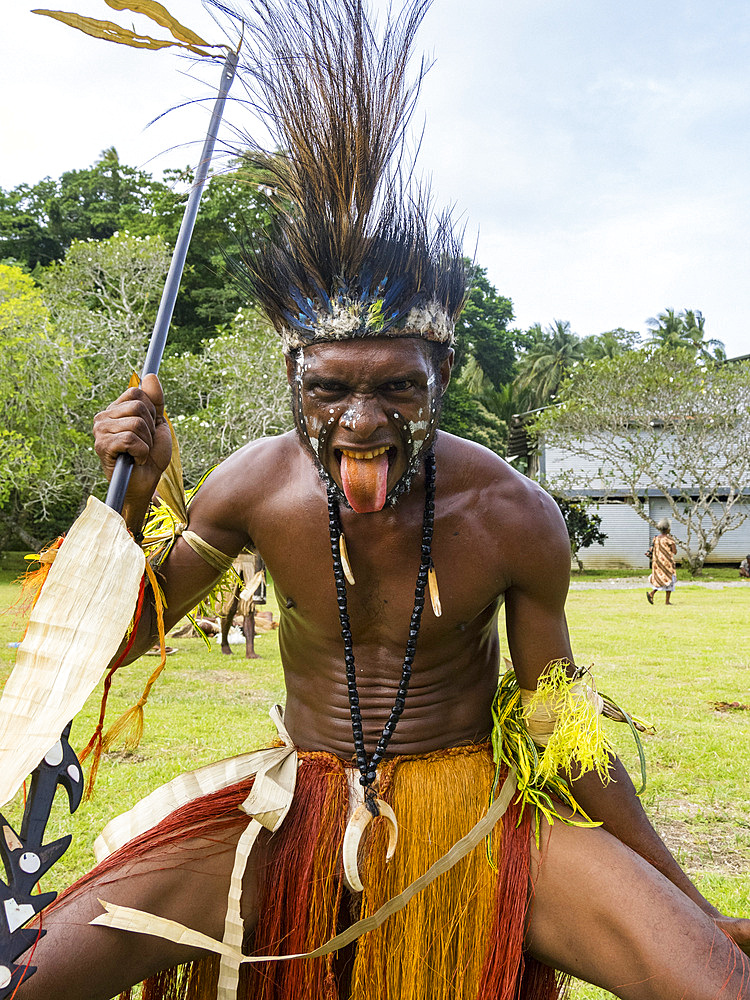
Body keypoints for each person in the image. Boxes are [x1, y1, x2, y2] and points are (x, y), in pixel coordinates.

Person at [15, 1, 750, 998]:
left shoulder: (510, 513)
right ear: (294, 384)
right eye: (331, 390)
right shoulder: (253, 484)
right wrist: (126, 508)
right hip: (295, 807)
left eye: (396, 387)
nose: (362, 421)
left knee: (711, 978)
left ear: (440, 375)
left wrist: (687, 901)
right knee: (31, 970)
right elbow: (117, 641)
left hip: (476, 809)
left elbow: (557, 729)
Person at [647, 519, 678, 605]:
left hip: (657, 563)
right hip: (667, 563)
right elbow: (674, 551)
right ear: (668, 529)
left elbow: (652, 549)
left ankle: (652, 593)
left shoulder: (656, 538)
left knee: (659, 579)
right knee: (669, 580)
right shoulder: (669, 539)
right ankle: (667, 601)